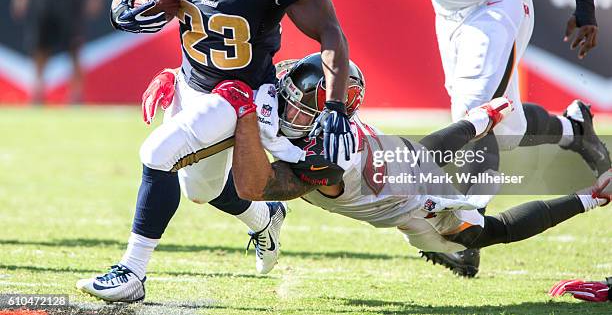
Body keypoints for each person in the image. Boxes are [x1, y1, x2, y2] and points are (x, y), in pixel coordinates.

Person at [77, 0, 353, 303]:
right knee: (199, 190)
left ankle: (131, 273)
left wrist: (335, 107)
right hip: (192, 80)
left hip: (242, 94)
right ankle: (266, 218)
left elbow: (331, 34)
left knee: (156, 154)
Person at [360, 0, 610, 275]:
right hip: (449, 11)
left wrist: (584, 6)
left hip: (502, 1)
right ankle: (573, 128)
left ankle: (466, 229)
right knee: (505, 129)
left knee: (477, 112)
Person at [213, 53, 610, 267]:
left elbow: (256, 185)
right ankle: (558, 129)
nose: (287, 113)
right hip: (402, 163)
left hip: (416, 203)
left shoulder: (330, 157)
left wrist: (479, 123)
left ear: (323, 120)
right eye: (290, 99)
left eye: (301, 110)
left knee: (477, 234)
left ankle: (589, 196)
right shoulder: (314, 121)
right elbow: (420, 151)